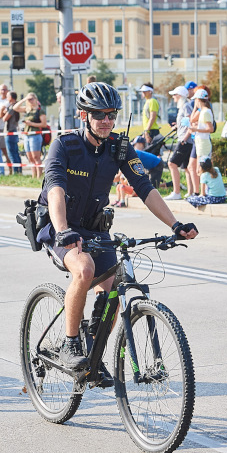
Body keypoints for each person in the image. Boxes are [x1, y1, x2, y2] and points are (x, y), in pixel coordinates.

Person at [36, 81, 198, 373]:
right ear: (84, 115)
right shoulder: (65, 145)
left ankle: (93, 356)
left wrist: (175, 224)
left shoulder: (119, 148)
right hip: (60, 226)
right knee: (84, 269)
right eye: (99, 115)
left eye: (112, 115)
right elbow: (55, 189)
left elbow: (144, 187)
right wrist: (62, 230)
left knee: (112, 289)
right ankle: (72, 344)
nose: (107, 121)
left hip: (95, 229)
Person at [165, 85, 194, 200]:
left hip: (185, 140)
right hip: (185, 139)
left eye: (175, 95)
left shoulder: (186, 107)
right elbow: (186, 122)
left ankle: (176, 192)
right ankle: (190, 191)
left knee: (171, 164)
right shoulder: (183, 107)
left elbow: (191, 122)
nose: (173, 97)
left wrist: (184, 138)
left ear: (180, 96)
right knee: (186, 167)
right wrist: (178, 126)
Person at [13, 92, 46, 179]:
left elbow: (44, 124)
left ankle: (39, 176)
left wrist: (31, 123)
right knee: (30, 157)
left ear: (36, 99)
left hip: (35, 135)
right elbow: (15, 108)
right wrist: (24, 100)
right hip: (27, 135)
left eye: (32, 99)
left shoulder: (39, 110)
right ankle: (33, 175)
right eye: (29, 99)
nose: (30, 101)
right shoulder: (27, 109)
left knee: (36, 157)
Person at [189, 88, 214, 189]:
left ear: (198, 100)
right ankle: (204, 191)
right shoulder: (203, 111)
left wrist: (196, 129)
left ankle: (205, 191)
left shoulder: (206, 112)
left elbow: (210, 128)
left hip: (204, 144)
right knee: (200, 169)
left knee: (202, 169)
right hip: (200, 142)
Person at [3, 91, 22, 174]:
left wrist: (5, 111)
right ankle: (19, 171)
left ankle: (16, 171)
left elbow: (5, 118)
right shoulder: (16, 106)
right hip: (14, 131)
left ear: (11, 97)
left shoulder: (12, 107)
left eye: (7, 96)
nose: (6, 98)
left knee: (12, 153)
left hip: (10, 132)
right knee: (15, 152)